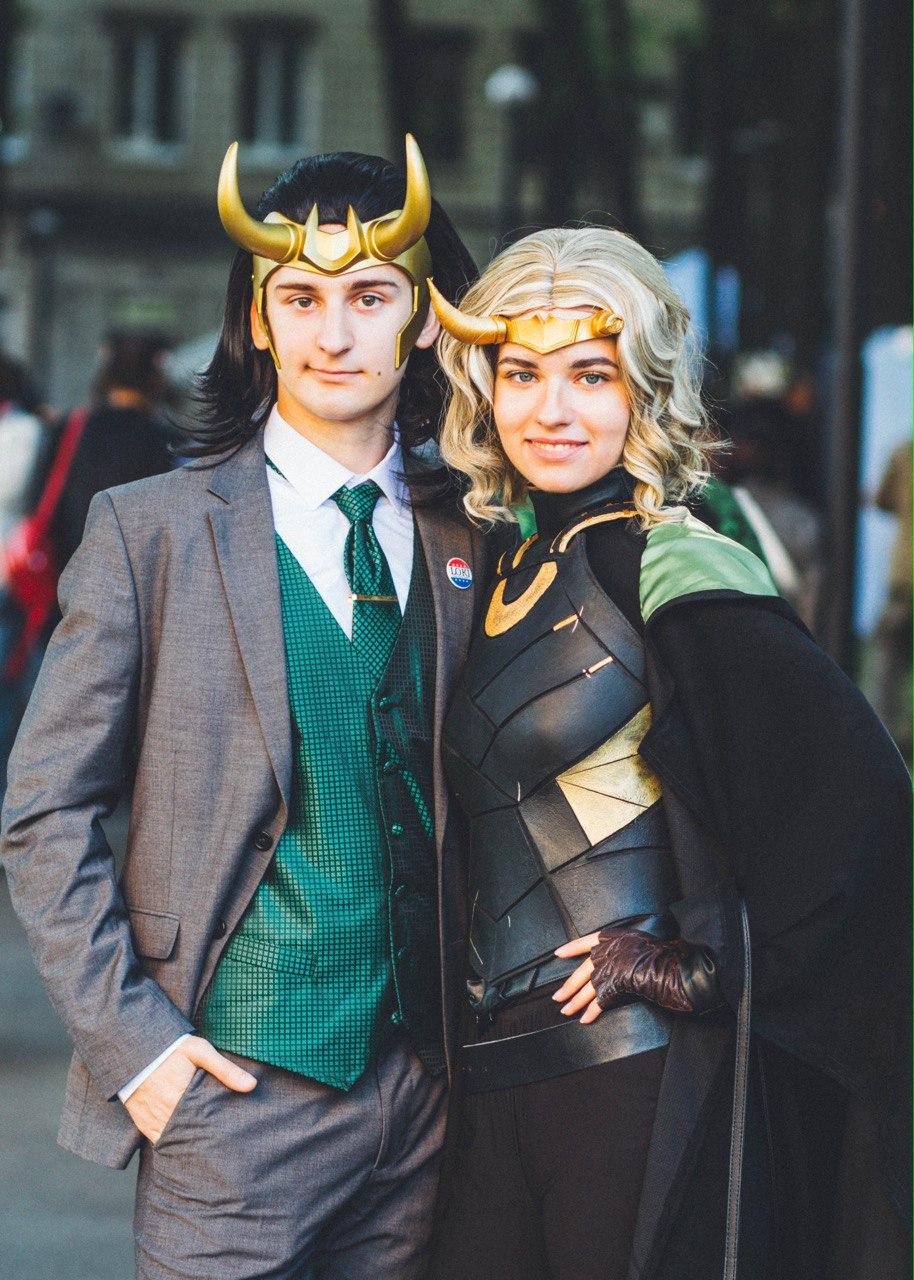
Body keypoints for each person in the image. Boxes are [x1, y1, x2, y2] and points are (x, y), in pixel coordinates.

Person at [0, 135, 488, 1280]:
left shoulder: (472, 530)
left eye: (370, 297)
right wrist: (139, 1048)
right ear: (257, 319)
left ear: (423, 320)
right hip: (230, 1097)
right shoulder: (150, 531)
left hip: (430, 1102)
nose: (333, 333)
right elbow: (42, 810)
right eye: (300, 298)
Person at [425, 227, 910, 1280]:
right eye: (522, 373)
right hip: (491, 1086)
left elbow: (865, 807)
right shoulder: (501, 563)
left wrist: (697, 961)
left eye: (590, 375)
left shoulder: (672, 563)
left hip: (629, 1085)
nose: (551, 410)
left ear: (643, 391)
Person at [50, 330, 174, 574]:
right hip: (138, 573)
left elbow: (45, 502)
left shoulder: (72, 428)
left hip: (71, 568)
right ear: (155, 379)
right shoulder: (164, 439)